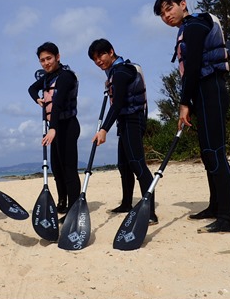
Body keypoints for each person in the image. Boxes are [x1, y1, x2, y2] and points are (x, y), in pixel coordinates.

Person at [153, 0, 230, 233]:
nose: (166, 15)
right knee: (208, 153)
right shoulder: (188, 28)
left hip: (210, 89)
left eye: (169, 8)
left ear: (183, 4)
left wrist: (183, 103)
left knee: (215, 151)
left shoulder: (195, 24)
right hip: (202, 92)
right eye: (162, 14)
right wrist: (190, 100)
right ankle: (215, 206)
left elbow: (192, 66)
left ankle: (226, 218)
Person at [88, 38, 158, 225]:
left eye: (101, 55)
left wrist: (103, 129)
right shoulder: (116, 73)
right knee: (123, 165)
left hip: (132, 120)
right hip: (125, 122)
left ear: (111, 51)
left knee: (137, 164)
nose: (98, 61)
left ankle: (150, 212)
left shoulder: (121, 72)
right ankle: (127, 203)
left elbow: (118, 104)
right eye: (94, 59)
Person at [28, 42, 81, 221]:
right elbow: (32, 89)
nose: (45, 63)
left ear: (58, 57)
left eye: (49, 58)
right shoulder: (46, 79)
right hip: (56, 128)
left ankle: (73, 210)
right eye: (42, 60)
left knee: (69, 170)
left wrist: (53, 129)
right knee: (57, 169)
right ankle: (62, 201)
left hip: (67, 126)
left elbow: (57, 103)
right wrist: (38, 99)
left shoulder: (66, 76)